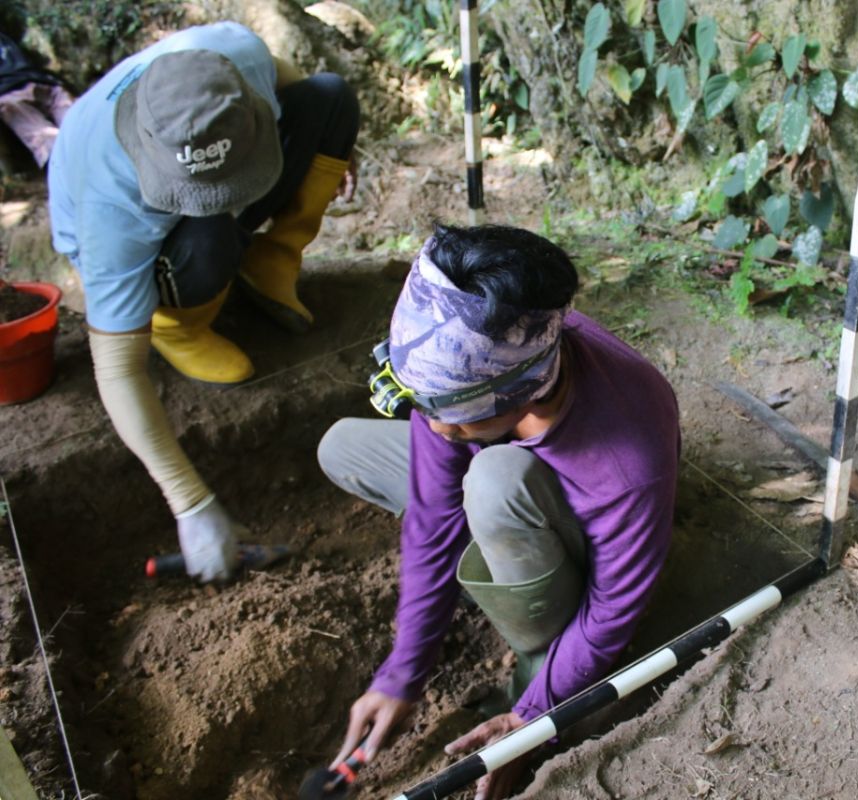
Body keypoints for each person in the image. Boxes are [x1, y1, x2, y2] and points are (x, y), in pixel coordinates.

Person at [317, 224, 680, 799]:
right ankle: (496, 563)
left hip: (577, 541)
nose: (437, 428)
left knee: (494, 480)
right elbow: (433, 519)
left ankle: (534, 650)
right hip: (515, 491)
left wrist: (533, 718)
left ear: (522, 393)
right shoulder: (463, 362)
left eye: (454, 418)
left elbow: (612, 610)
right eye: (429, 406)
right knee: (343, 445)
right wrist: (403, 672)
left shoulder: (627, 459)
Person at [47, 22, 359, 582]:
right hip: (163, 243)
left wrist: (333, 148)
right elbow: (117, 371)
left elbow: (294, 83)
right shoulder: (112, 211)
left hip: (210, 184)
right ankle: (179, 325)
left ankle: (269, 264)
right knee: (209, 235)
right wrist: (190, 504)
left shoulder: (234, 56)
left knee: (330, 98)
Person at [0, 31, 74, 170]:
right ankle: (65, 166)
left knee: (76, 124)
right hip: (14, 92)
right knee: (46, 138)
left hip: (38, 82)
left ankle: (67, 159)